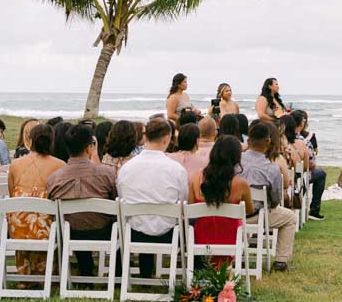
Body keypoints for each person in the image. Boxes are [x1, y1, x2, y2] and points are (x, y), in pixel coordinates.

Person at [114, 117, 187, 278]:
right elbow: (183, 202)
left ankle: (145, 273)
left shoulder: (127, 168)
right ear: (167, 138)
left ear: (145, 137)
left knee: (142, 218)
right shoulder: (176, 170)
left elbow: (121, 196)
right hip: (168, 234)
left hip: (134, 232)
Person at [46, 124, 118, 279]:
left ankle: (85, 269)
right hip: (103, 232)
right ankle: (117, 274)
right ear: (89, 148)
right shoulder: (106, 173)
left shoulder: (54, 178)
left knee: (75, 218)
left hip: (68, 233)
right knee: (114, 221)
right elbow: (115, 199)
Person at [239, 120, 300, 268]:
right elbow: (275, 199)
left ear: (248, 140)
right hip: (255, 216)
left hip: (233, 213)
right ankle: (281, 260)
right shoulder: (271, 168)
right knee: (290, 217)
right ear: (268, 141)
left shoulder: (236, 160)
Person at [5, 120, 62, 275]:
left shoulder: (15, 164)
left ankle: (25, 276)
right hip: (45, 231)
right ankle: (47, 273)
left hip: (18, 229)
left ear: (31, 140)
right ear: (51, 141)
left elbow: (11, 196)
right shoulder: (59, 165)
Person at [189, 134, 255, 264]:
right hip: (230, 238)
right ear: (236, 157)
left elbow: (191, 208)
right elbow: (249, 210)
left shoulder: (196, 178)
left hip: (201, 237)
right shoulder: (240, 184)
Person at [283, 112, 327, 218]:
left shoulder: (276, 143)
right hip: (297, 179)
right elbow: (309, 165)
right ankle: (314, 209)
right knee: (321, 174)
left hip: (281, 180)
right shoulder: (302, 142)